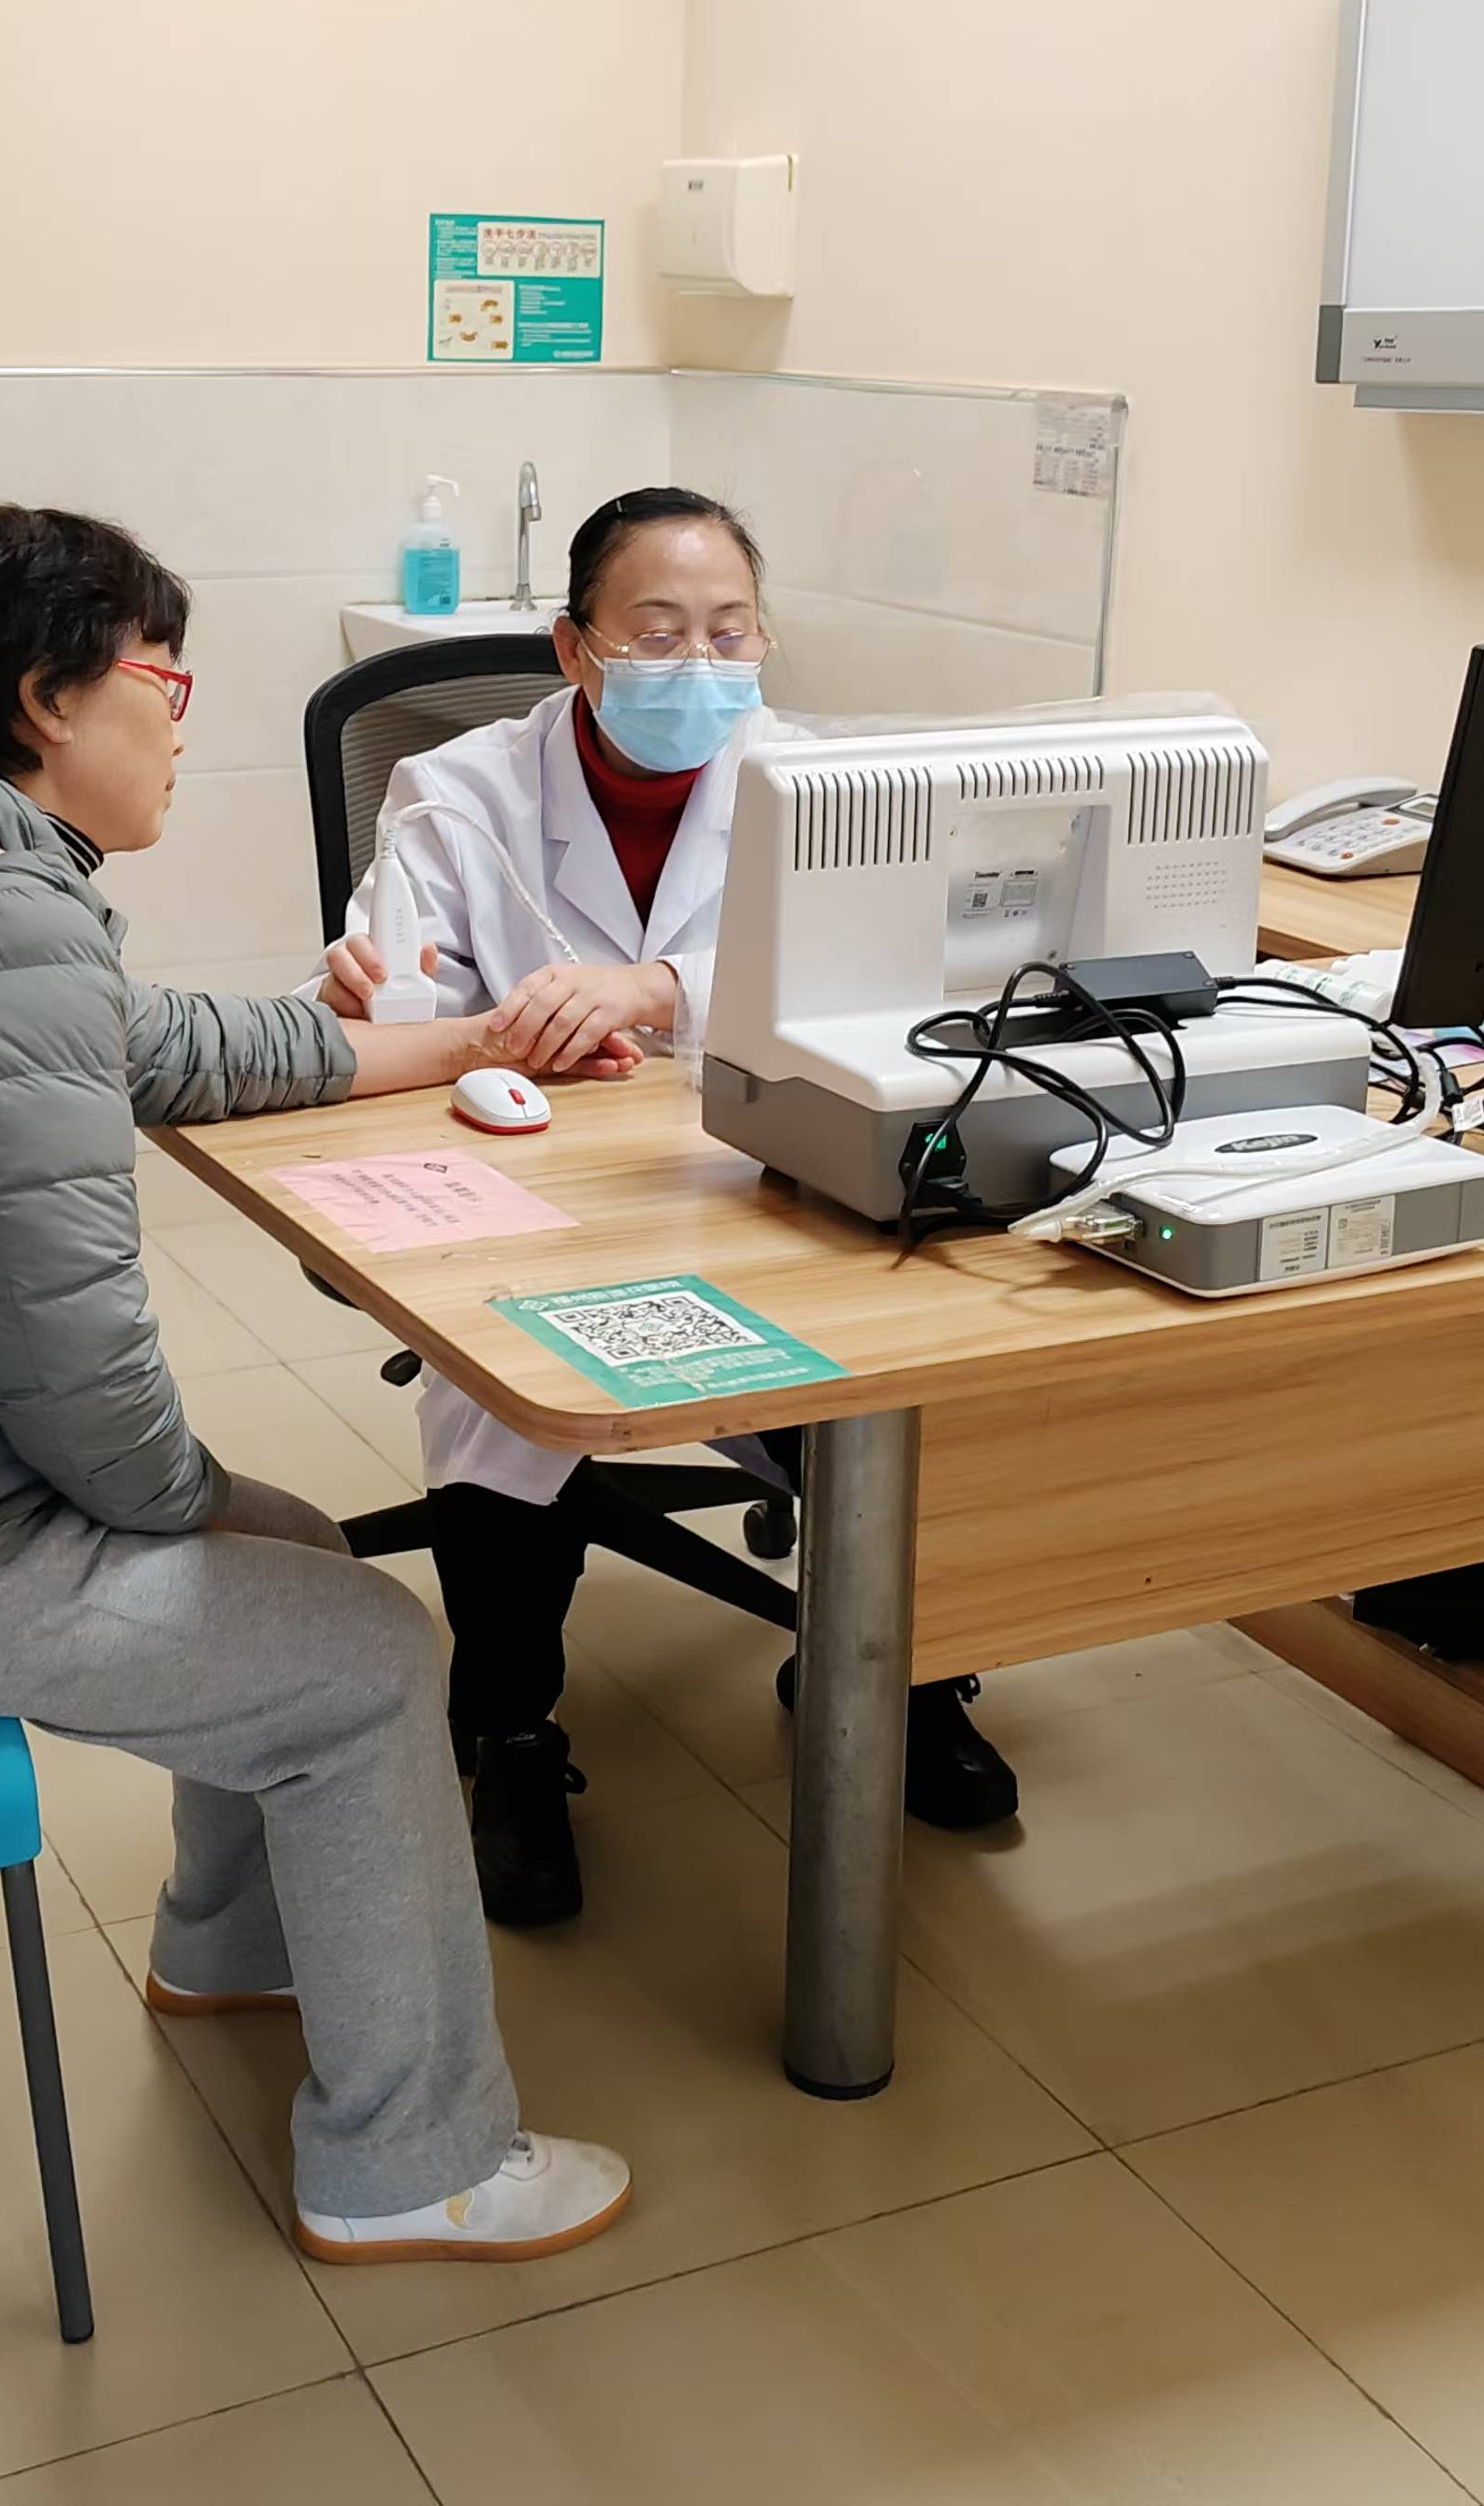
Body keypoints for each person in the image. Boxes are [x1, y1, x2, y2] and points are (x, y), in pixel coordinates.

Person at [0, 503, 631, 2265]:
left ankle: (230, 1949)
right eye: (165, 683)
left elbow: (161, 1043)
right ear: (47, 699)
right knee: (368, 1655)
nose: (179, 726)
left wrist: (460, 1040)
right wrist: (190, 1515)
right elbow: (85, 1390)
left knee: (300, 1545)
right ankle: (412, 2165)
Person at [317, 487, 1019, 1930]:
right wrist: (373, 997)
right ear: (575, 647)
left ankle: (896, 1675)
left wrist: (659, 991)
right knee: (504, 1402)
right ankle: (511, 1729)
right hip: (540, 1192)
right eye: (656, 633)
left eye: (729, 632)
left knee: (893, 1370)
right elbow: (402, 1013)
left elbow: (886, 987)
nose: (699, 665)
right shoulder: (457, 791)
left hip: (758, 1176)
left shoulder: (820, 785)